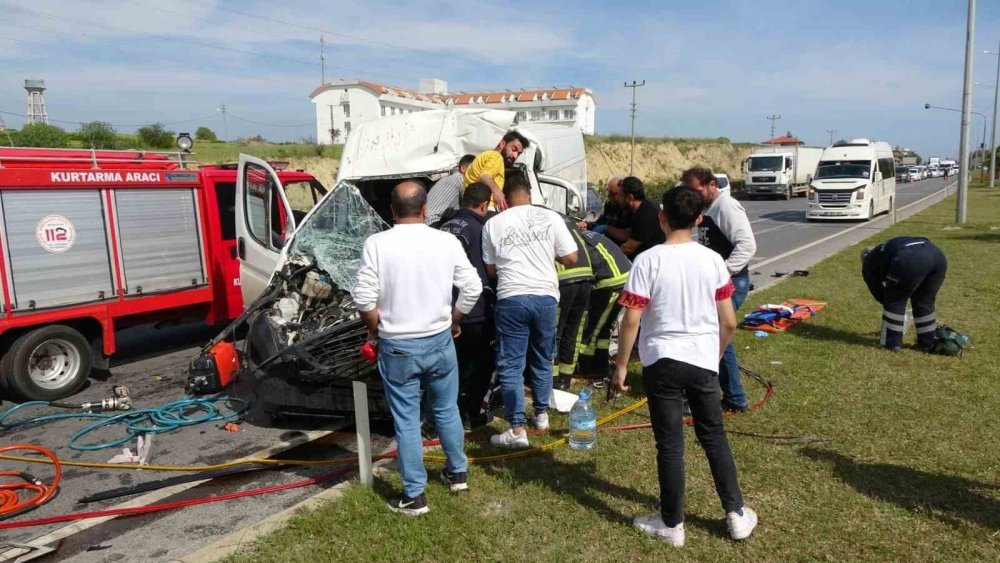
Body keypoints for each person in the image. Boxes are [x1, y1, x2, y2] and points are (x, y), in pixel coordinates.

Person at [611, 185, 757, 548]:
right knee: (714, 436)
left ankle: (672, 523)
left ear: (661, 217)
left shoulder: (647, 260)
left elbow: (632, 319)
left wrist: (622, 365)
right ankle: (736, 513)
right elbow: (730, 322)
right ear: (697, 220)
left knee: (670, 444)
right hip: (702, 360)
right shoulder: (713, 261)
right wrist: (715, 355)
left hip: (662, 361)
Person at [352, 181, 483, 516]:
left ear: (392, 211)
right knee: (446, 408)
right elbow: (472, 286)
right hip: (440, 340)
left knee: (407, 421)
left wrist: (374, 330)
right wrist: (455, 319)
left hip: (398, 345)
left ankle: (415, 495)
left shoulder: (377, 243)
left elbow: (364, 298)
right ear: (425, 209)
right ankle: (457, 473)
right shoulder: (445, 240)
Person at [482, 177, 577, 448]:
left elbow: (490, 270)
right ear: (530, 194)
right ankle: (542, 414)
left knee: (511, 364)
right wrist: (547, 254)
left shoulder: (493, 223)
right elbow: (571, 257)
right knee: (543, 356)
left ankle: (516, 428)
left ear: (505, 200)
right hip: (546, 296)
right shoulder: (550, 217)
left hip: (511, 296)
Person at [681, 166, 757, 413]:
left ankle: (729, 397)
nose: (692, 195)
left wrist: (722, 271)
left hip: (732, 283)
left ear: (711, 185)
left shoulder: (726, 207)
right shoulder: (706, 210)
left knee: (715, 336)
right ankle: (731, 396)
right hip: (715, 283)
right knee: (716, 337)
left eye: (695, 190)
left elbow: (747, 245)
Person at [439, 182, 495, 428]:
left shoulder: (443, 227)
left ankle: (446, 415)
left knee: (453, 366)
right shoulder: (481, 229)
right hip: (474, 309)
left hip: (446, 307)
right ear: (484, 205)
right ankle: (472, 414)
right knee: (481, 364)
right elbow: (485, 272)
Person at [861, 236, 948, 352]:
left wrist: (896, 306)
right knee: (924, 301)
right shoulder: (888, 248)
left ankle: (892, 343)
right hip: (937, 256)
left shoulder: (868, 263)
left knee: (894, 301)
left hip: (911, 258)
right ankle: (928, 342)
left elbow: (878, 292)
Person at [576, 228, 631, 380]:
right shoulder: (587, 235)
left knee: (592, 329)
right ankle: (600, 365)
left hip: (610, 283)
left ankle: (586, 367)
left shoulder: (577, 239)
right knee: (603, 329)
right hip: (621, 279)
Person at [553, 219, 594, 391]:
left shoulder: (541, 222)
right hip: (586, 277)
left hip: (564, 279)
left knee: (555, 330)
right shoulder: (567, 222)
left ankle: (553, 379)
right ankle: (566, 378)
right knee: (574, 330)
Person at [463, 131, 530, 212]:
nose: (515, 156)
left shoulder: (486, 155)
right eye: (513, 149)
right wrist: (498, 192)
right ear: (502, 144)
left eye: (518, 154)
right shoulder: (497, 157)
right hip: (487, 209)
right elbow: (484, 176)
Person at [619, 176, 666, 258]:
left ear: (630, 197)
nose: (617, 199)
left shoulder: (646, 212)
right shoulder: (643, 206)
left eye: (620, 196)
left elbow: (629, 247)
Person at [425, 154, 477, 227]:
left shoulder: (450, 178)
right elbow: (471, 205)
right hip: (432, 221)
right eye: (475, 170)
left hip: (426, 220)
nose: (477, 174)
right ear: (463, 168)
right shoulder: (459, 178)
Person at [579, 176, 632, 244]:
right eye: (608, 192)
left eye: (612, 193)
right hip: (607, 243)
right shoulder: (609, 205)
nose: (609, 195)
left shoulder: (628, 209)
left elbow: (627, 235)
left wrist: (606, 228)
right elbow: (601, 222)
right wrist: (587, 225)